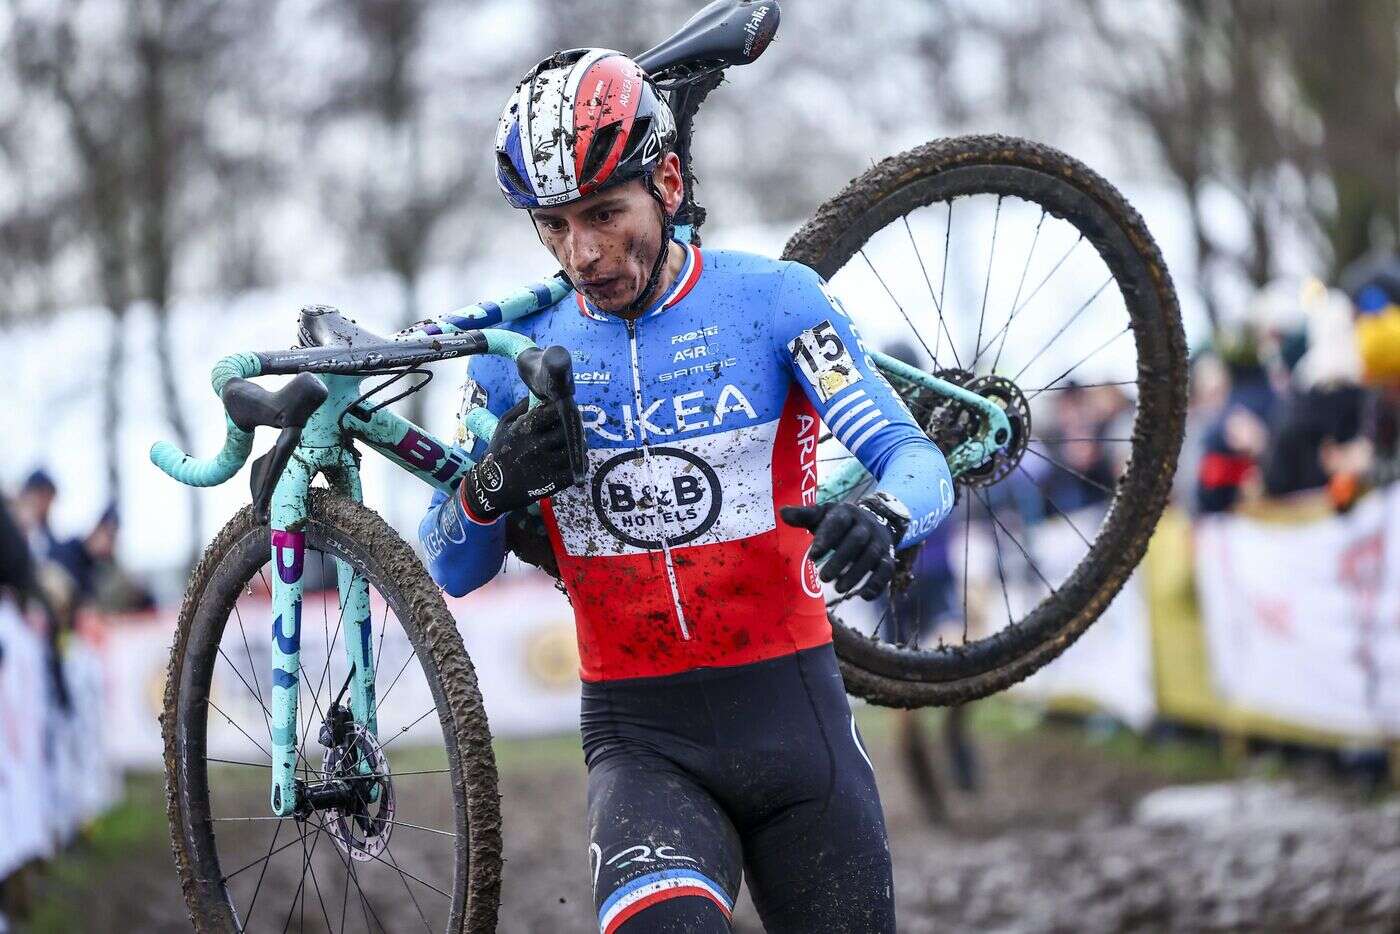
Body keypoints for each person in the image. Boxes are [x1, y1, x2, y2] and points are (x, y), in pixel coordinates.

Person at [420, 49, 954, 933]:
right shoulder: (514, 358)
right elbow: (449, 562)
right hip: (641, 744)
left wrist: (884, 515)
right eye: (552, 225)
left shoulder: (776, 302)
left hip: (798, 725)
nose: (581, 252)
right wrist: (492, 482)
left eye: (604, 213)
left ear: (666, 182)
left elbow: (909, 454)